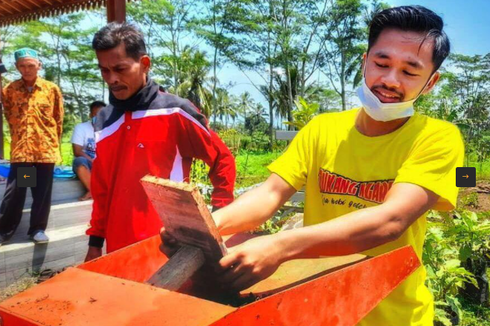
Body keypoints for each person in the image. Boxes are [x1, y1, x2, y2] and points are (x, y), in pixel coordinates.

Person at [162, 5, 463, 326]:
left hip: (392, 315)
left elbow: (391, 220)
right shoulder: (323, 128)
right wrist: (209, 226)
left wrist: (281, 245)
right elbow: (269, 194)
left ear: (431, 82)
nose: (390, 80)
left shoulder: (437, 138)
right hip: (319, 308)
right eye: (382, 63)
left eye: (410, 71)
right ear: (365, 61)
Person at [85, 23, 236, 261]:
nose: (112, 79)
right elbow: (102, 188)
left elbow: (222, 159)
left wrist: (220, 211)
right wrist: (95, 241)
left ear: (144, 64)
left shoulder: (176, 111)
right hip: (117, 248)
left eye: (120, 69)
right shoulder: (103, 120)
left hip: (169, 246)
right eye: (104, 70)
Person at [0, 48, 64, 245]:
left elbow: (58, 119)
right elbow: (9, 118)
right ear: (16, 67)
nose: (26, 70)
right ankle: (4, 231)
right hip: (24, 154)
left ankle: (37, 230)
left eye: (30, 65)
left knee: (41, 192)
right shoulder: (9, 90)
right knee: (18, 189)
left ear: (39, 65)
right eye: (22, 66)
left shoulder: (51, 89)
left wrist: (53, 144)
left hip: (44, 152)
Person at [71, 101, 106, 201]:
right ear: (91, 115)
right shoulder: (81, 128)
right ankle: (92, 191)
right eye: (96, 114)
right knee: (79, 161)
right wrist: (93, 161)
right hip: (88, 164)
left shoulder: (110, 129)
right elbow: (77, 151)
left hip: (103, 166)